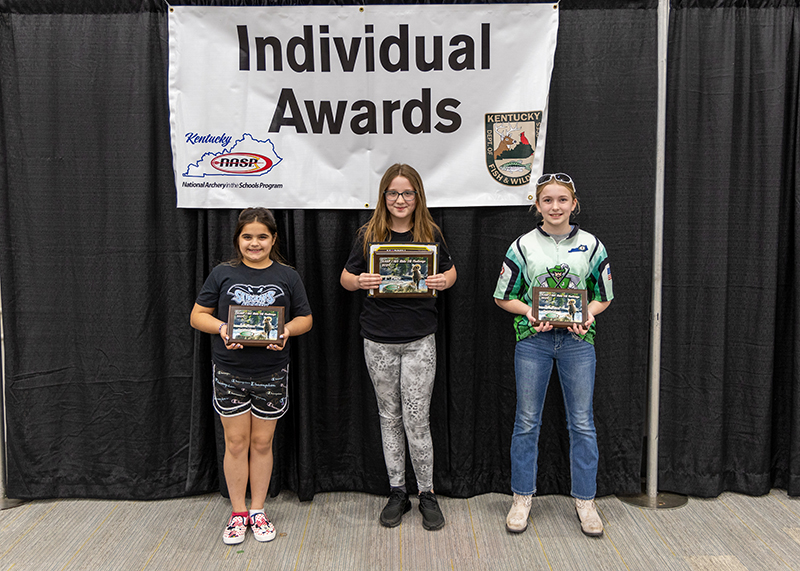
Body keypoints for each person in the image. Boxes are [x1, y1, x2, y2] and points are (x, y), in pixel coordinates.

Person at [493, 173, 613, 537]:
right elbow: (502, 296)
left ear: (574, 204)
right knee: (527, 421)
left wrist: (588, 313)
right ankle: (522, 497)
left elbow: (604, 294)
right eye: (548, 200)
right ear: (537, 205)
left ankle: (586, 500)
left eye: (562, 200)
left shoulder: (592, 245)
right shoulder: (523, 246)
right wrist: (529, 312)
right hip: (534, 341)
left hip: (578, 342)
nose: (555, 207)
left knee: (582, 423)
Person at [340, 163, 457, 531]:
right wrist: (359, 281)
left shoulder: (430, 232)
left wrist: (443, 279)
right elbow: (344, 278)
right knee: (389, 417)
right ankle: (397, 492)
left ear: (417, 196)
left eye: (407, 193)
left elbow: (452, 272)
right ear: (383, 197)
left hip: (420, 339)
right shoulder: (368, 233)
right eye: (393, 193)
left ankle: (427, 494)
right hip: (378, 340)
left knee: (417, 420)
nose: (400, 199)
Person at [190, 207, 313, 545]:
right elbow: (197, 315)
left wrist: (285, 330)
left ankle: (258, 510)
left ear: (273, 239)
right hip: (229, 371)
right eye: (247, 236)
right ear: (237, 239)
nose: (254, 243)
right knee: (236, 443)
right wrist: (222, 328)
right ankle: (238, 512)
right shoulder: (221, 274)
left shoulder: (288, 276)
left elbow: (306, 318)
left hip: (272, 373)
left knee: (261, 442)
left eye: (262, 236)